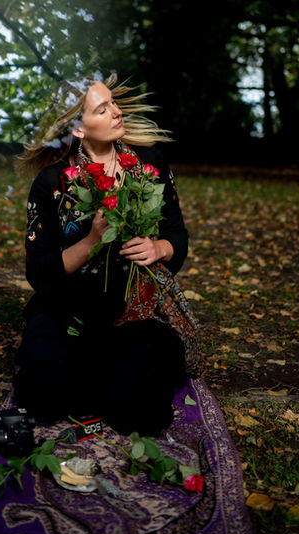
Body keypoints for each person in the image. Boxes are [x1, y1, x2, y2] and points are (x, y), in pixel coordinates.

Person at [13, 75, 202, 436]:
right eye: (103, 109)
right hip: (68, 312)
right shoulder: (52, 184)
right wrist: (91, 242)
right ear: (79, 130)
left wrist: (158, 248)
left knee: (144, 415)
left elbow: (177, 234)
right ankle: (89, 369)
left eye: (113, 103)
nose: (117, 112)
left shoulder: (150, 165)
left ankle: (107, 373)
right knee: (41, 400)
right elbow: (39, 272)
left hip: (134, 311)